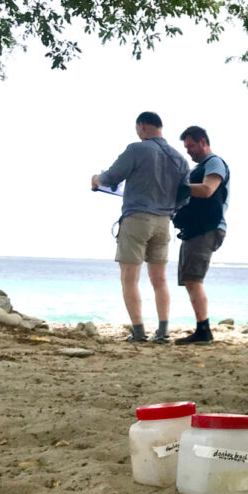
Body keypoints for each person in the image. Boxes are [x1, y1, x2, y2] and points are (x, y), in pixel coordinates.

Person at [91, 111, 189, 343]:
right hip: (163, 222)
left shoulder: (136, 149)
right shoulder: (180, 159)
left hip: (137, 219)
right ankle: (163, 332)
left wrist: (96, 179)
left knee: (129, 279)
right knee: (160, 280)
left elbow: (111, 177)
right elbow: (184, 195)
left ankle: (138, 331)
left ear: (143, 126)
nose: (137, 134)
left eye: (137, 129)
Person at [173, 125, 230, 345]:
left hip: (207, 228)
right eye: (186, 147)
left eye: (191, 146)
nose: (188, 151)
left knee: (193, 279)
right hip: (195, 229)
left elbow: (207, 190)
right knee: (190, 279)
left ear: (203, 142)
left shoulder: (214, 163)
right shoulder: (199, 168)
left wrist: (180, 187)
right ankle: (201, 328)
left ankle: (203, 331)